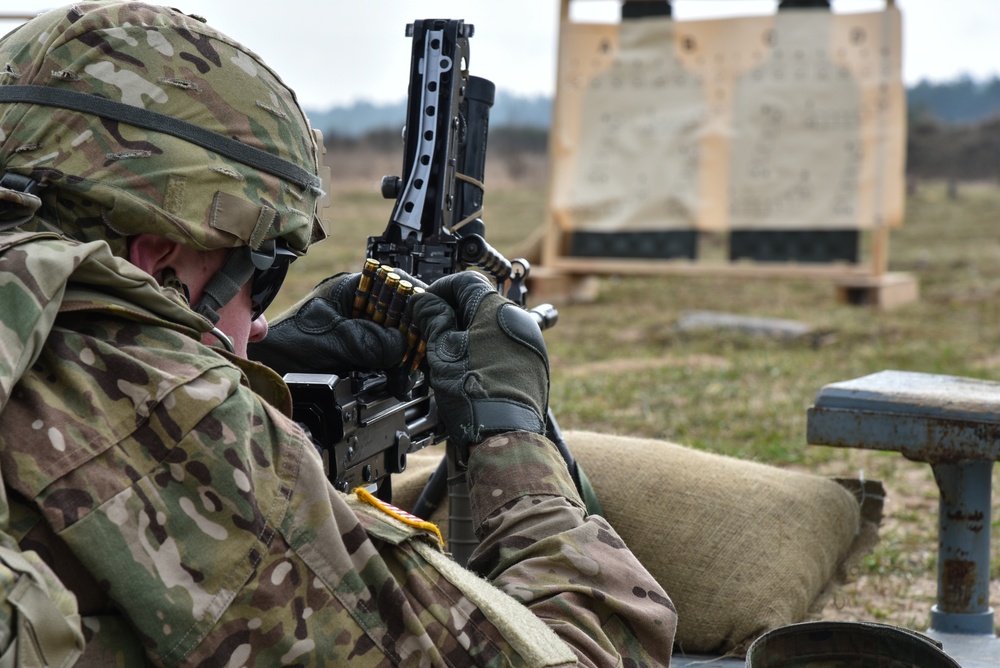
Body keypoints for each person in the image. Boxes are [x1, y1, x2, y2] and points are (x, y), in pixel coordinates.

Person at [0, 3, 675, 666]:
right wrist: (514, 439)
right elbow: (582, 656)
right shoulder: (141, 406)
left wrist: (246, 367)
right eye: (259, 276)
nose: (260, 320)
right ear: (159, 259)